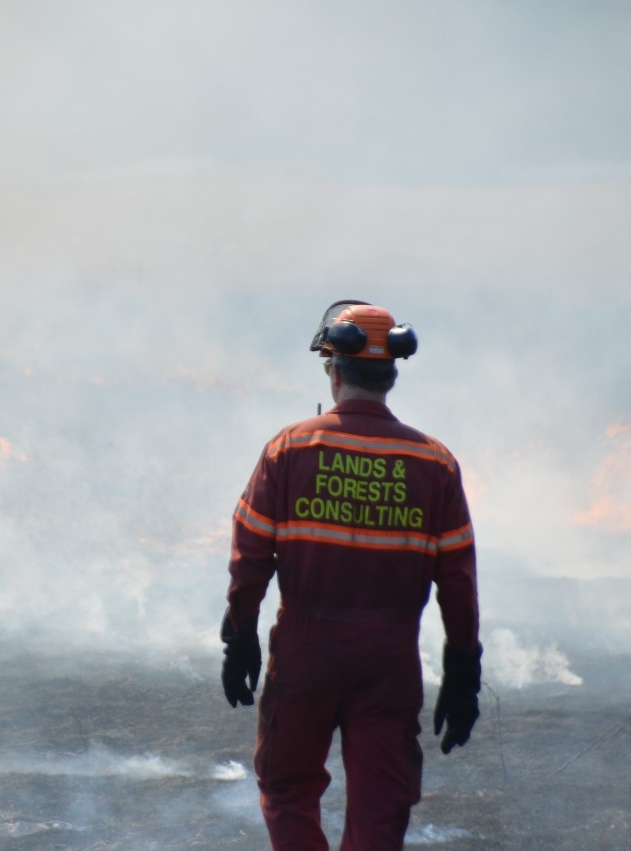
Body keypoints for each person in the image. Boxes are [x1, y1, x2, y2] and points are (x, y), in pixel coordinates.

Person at [219, 300, 481, 850]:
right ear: (391, 375)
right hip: (388, 662)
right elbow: (457, 578)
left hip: (304, 654)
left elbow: (250, 555)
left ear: (333, 370)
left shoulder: (290, 448)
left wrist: (239, 635)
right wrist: (463, 665)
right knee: (380, 808)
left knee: (288, 788)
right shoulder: (435, 464)